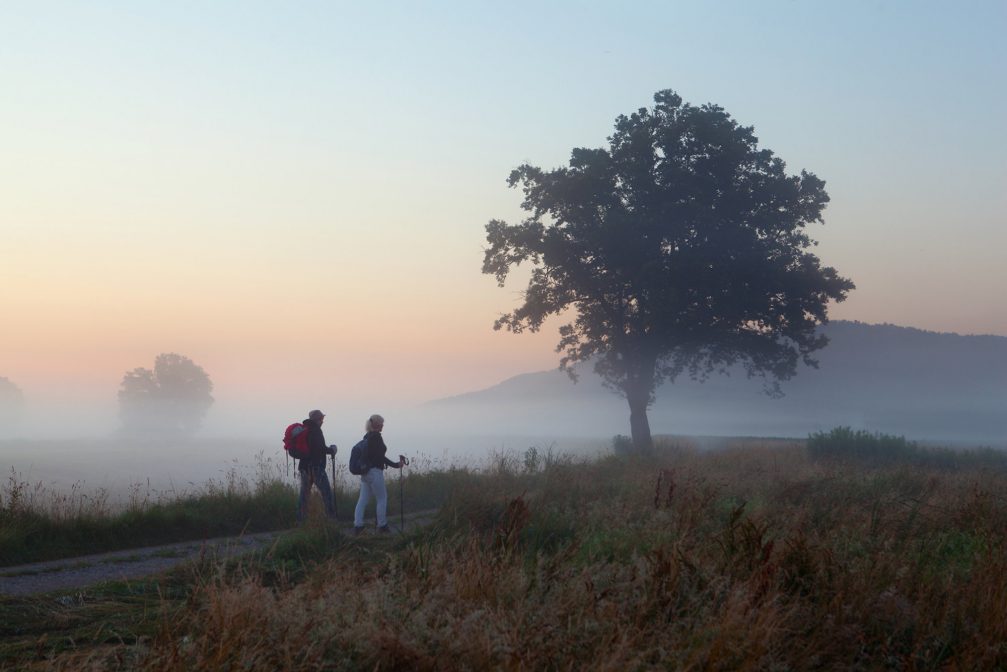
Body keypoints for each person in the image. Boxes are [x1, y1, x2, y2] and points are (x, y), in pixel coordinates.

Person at [353, 414, 404, 534]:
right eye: (381, 423)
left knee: (363, 500)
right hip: (375, 472)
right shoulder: (376, 438)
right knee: (382, 498)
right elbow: (381, 457)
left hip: (365, 473)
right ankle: (382, 525)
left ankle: (358, 526)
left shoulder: (367, 437)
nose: (383, 425)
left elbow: (377, 456)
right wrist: (396, 465)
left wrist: (395, 464)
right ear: (376, 424)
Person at [297, 409, 338, 523]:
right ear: (317, 420)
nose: (322, 421)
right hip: (316, 467)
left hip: (304, 467)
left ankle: (301, 521)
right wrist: (332, 450)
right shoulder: (316, 431)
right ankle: (331, 519)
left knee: (304, 495)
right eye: (321, 419)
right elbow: (320, 448)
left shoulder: (304, 429)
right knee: (326, 493)